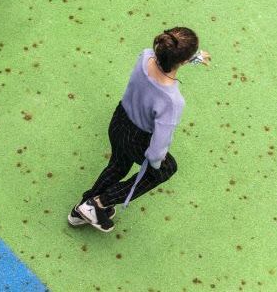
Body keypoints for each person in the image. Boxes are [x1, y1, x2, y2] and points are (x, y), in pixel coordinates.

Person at [69, 27, 209, 232]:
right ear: (183, 60)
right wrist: (155, 165)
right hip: (137, 137)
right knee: (166, 168)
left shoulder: (146, 56)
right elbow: (156, 151)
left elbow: (165, 59)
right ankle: (98, 204)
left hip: (119, 120)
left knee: (118, 165)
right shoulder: (172, 101)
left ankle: (80, 211)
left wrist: (192, 57)